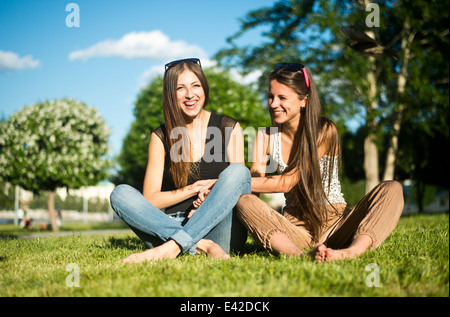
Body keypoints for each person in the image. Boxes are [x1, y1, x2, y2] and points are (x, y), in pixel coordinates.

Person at [234, 62, 404, 262]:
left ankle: (352, 251)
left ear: (304, 100)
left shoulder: (324, 130)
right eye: (271, 97)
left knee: (392, 188)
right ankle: (301, 255)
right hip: (295, 229)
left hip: (337, 222)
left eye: (282, 98)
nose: (273, 104)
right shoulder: (265, 136)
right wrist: (228, 194)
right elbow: (254, 187)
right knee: (244, 200)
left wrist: (229, 183)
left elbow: (289, 181)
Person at [110, 58, 251, 263]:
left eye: (196, 85)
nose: (190, 94)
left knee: (239, 171)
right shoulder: (160, 136)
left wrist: (211, 192)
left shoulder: (228, 127)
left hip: (220, 227)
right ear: (170, 94)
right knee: (120, 193)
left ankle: (172, 247)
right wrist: (193, 189)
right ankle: (200, 245)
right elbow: (151, 200)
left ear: (204, 88)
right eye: (180, 88)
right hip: (171, 225)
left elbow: (238, 183)